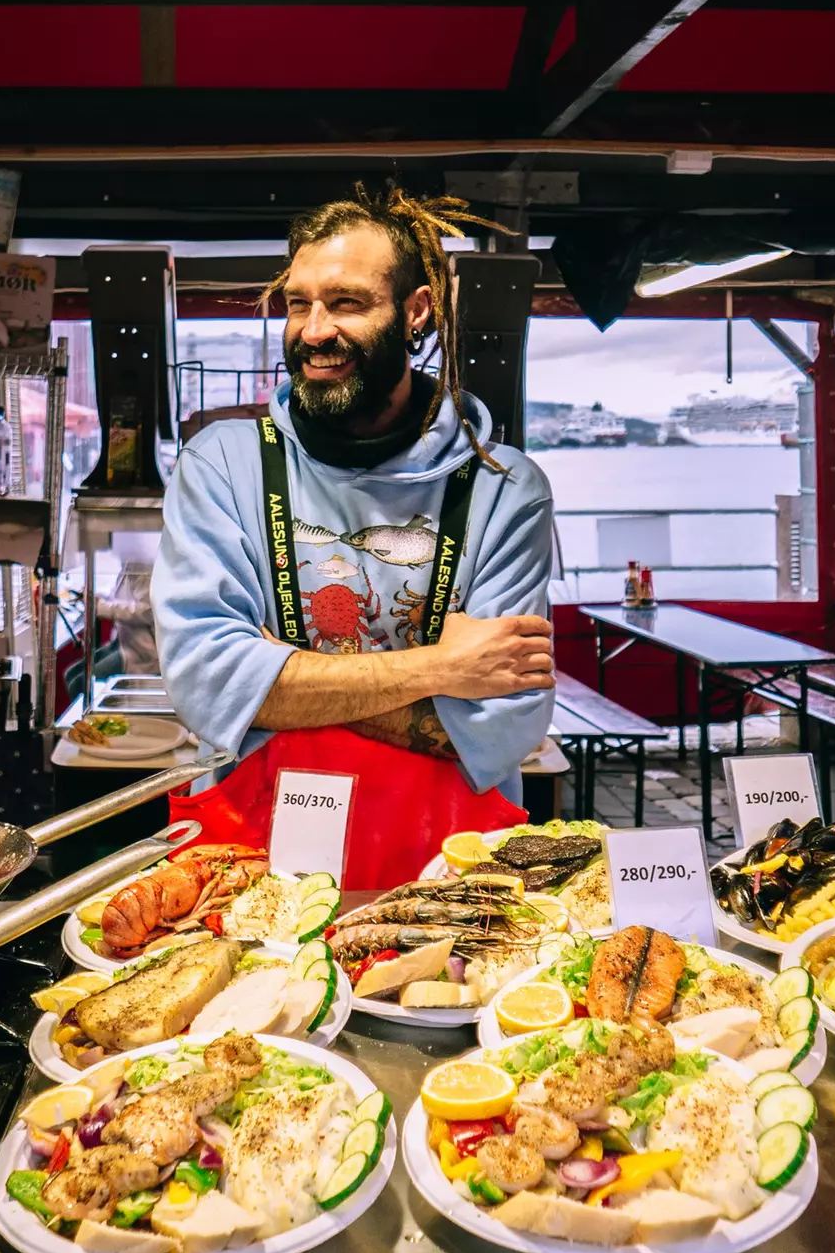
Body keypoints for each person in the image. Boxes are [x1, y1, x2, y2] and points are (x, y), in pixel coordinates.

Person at [152, 189, 556, 882]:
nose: (312, 330)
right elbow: (205, 682)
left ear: (415, 311)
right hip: (251, 863)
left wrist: (279, 682)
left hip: (449, 871)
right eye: (298, 303)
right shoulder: (220, 462)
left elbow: (507, 721)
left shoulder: (504, 487)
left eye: (344, 303)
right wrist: (440, 670)